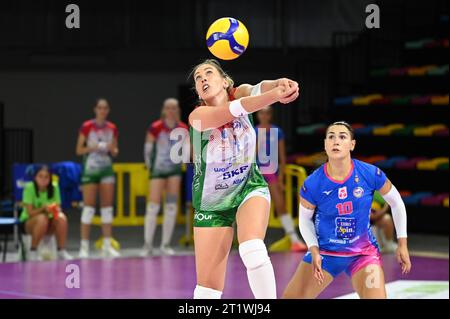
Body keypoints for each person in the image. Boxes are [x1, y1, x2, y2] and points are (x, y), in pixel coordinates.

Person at [188, 59, 299, 299]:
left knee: (252, 248)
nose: (203, 79)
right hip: (212, 202)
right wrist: (274, 96)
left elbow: (260, 87)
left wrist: (279, 84)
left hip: (248, 186)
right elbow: (236, 109)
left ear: (225, 81)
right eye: (198, 78)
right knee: (206, 291)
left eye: (209, 73)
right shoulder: (198, 116)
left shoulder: (239, 92)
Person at [283, 121, 411, 299]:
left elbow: (396, 203)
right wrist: (313, 250)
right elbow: (304, 220)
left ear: (352, 144)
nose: (336, 141)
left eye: (342, 137)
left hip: (363, 253)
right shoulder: (313, 183)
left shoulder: (369, 173)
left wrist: (402, 244)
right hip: (326, 252)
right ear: (325, 144)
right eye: (331, 137)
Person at [255, 106, 307, 252]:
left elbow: (282, 157)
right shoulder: (253, 131)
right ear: (258, 114)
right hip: (256, 173)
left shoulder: (277, 131)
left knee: (280, 204)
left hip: (271, 171)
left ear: (270, 115)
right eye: (261, 112)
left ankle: (294, 239)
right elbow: (250, 155)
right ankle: (254, 242)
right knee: (255, 207)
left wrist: (281, 178)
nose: (264, 115)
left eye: (267, 113)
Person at [141, 98, 189, 256]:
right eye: (168, 108)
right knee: (153, 206)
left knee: (171, 206)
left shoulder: (183, 128)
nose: (171, 111)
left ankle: (165, 244)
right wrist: (149, 165)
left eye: (174, 108)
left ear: (178, 110)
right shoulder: (156, 128)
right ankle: (147, 245)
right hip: (158, 171)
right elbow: (148, 148)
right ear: (163, 110)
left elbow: (187, 149)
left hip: (174, 171)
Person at [76, 98, 120, 258]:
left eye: (105, 108)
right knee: (88, 208)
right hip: (91, 169)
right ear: (95, 109)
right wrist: (93, 147)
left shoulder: (112, 128)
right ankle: (84, 247)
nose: (102, 110)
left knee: (107, 209)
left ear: (107, 110)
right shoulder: (87, 126)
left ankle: (107, 245)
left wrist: (111, 148)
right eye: (100, 107)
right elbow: (79, 150)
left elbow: (115, 151)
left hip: (106, 169)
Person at [20, 165, 73, 261]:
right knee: (41, 218)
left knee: (62, 218)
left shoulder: (55, 187)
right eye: (40, 176)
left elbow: (58, 207)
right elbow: (30, 213)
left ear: (50, 178)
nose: (43, 179)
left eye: (46, 177)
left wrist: (53, 210)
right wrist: (43, 208)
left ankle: (61, 251)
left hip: (49, 221)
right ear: (35, 177)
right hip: (29, 223)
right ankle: (33, 251)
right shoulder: (29, 188)